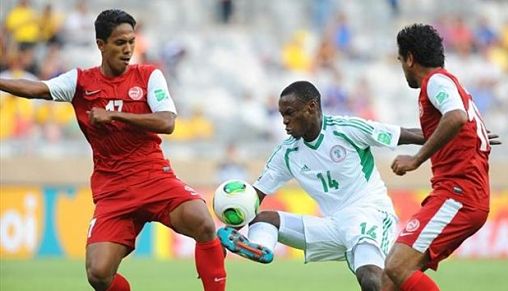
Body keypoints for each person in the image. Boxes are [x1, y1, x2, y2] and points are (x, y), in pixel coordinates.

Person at [0, 9, 226, 291]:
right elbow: (37, 89)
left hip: (154, 177)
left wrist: (115, 116)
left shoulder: (148, 76)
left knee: (203, 223)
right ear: (101, 44)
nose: (128, 49)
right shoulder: (80, 82)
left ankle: (215, 271)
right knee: (98, 273)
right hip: (113, 189)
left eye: (131, 41)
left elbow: (167, 122)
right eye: (120, 43)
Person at [218, 80, 427, 291]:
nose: (285, 121)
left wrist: (451, 132)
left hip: (369, 213)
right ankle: (259, 248)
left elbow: (406, 134)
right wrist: (230, 229)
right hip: (333, 224)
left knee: (371, 277)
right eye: (282, 115)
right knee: (265, 220)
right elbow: (253, 198)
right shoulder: (287, 153)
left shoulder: (346, 130)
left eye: (289, 113)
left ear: (311, 107)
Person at [382, 23, 495, 291]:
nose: (402, 68)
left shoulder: (436, 81)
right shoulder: (447, 85)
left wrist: (416, 159)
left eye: (400, 60)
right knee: (389, 280)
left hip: (459, 194)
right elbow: (459, 120)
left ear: (410, 58)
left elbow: (456, 117)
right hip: (457, 193)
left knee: (397, 267)